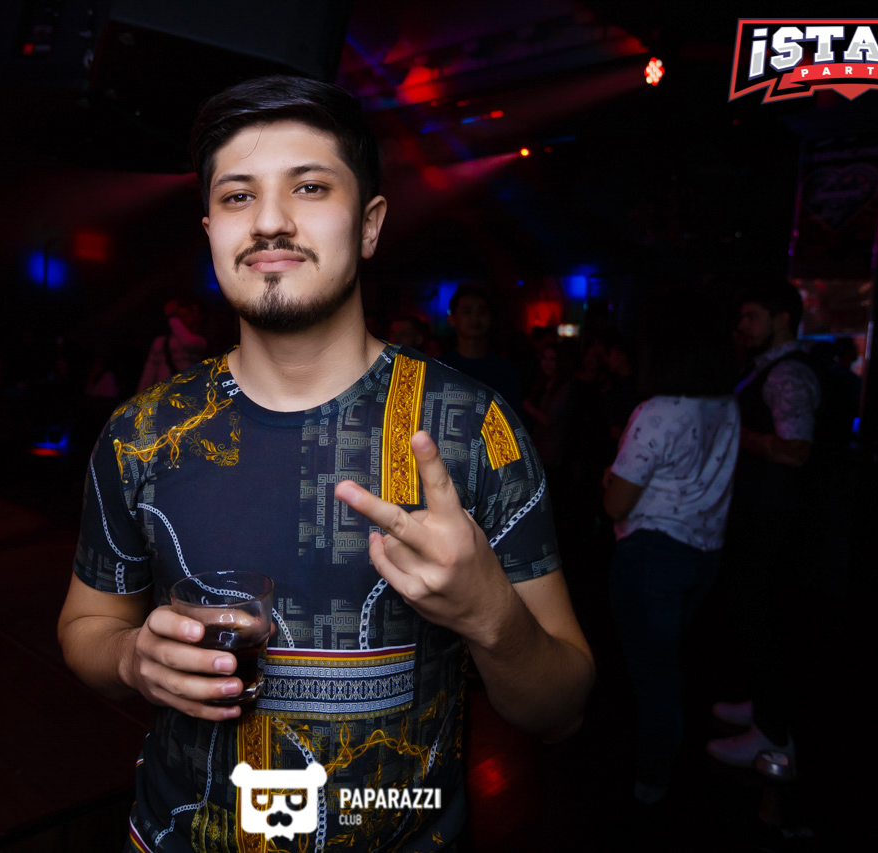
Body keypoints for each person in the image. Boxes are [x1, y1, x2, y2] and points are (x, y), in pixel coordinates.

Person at [57, 76, 594, 853]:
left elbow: (563, 709)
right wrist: (132, 657)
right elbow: (86, 626)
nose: (270, 220)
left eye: (309, 187)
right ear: (211, 230)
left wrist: (490, 615)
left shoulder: (474, 429)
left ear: (369, 225)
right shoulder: (140, 434)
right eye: (238, 196)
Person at [601, 291, 740, 806]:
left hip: (652, 555)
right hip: (704, 554)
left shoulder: (658, 411)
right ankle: (663, 769)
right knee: (668, 664)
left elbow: (617, 504)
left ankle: (649, 784)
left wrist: (609, 478)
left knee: (652, 679)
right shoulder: (726, 404)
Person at [706, 281, 819, 768]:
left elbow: (796, 451)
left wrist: (735, 432)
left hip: (776, 521)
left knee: (766, 620)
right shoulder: (767, 368)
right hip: (763, 516)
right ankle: (763, 707)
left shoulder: (788, 373)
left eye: (752, 316)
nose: (743, 326)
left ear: (782, 319)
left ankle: (773, 737)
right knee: (756, 617)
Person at [439, 284, 524, 419]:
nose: (475, 318)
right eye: (467, 312)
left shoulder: (504, 369)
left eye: (482, 312)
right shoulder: (441, 367)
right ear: (452, 319)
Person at [135, 298, 209, 394]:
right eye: (179, 316)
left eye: (186, 315)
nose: (182, 319)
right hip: (163, 396)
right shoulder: (160, 342)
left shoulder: (199, 341)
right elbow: (149, 373)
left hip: (187, 395)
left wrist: (172, 316)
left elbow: (187, 342)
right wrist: (140, 397)